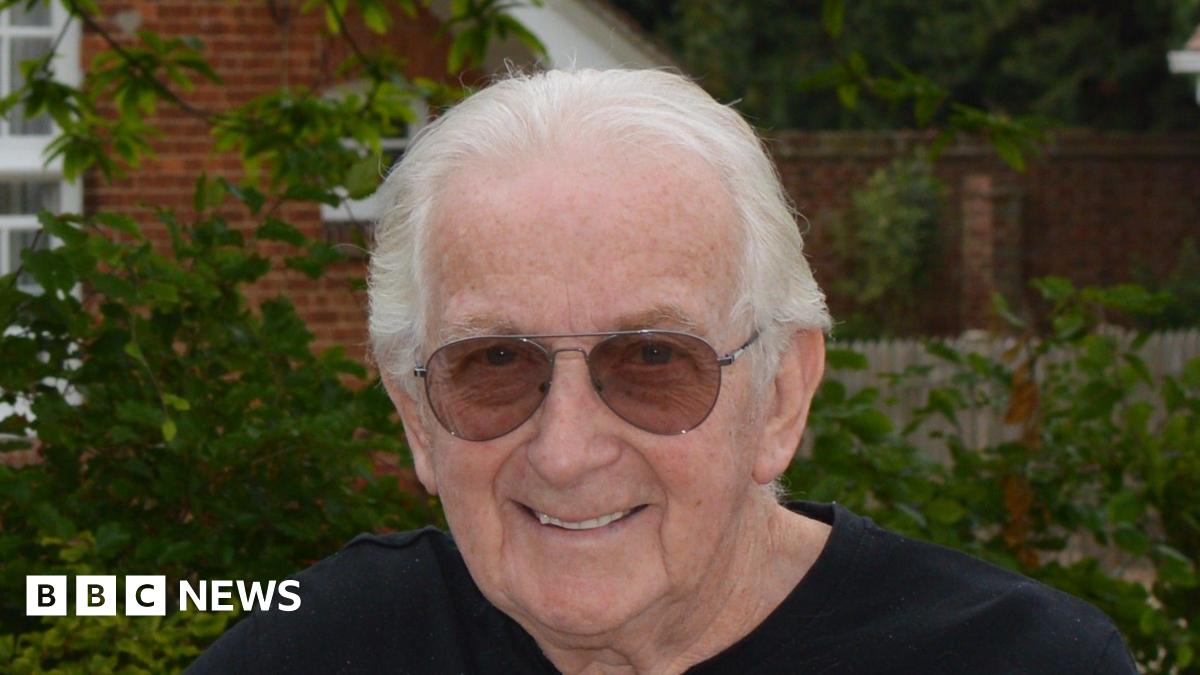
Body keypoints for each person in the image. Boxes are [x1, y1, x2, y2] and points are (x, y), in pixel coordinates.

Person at [190, 69, 1135, 674]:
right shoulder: (320, 647)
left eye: (651, 358)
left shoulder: (1019, 660)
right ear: (415, 415)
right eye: (496, 362)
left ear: (781, 394)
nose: (565, 451)